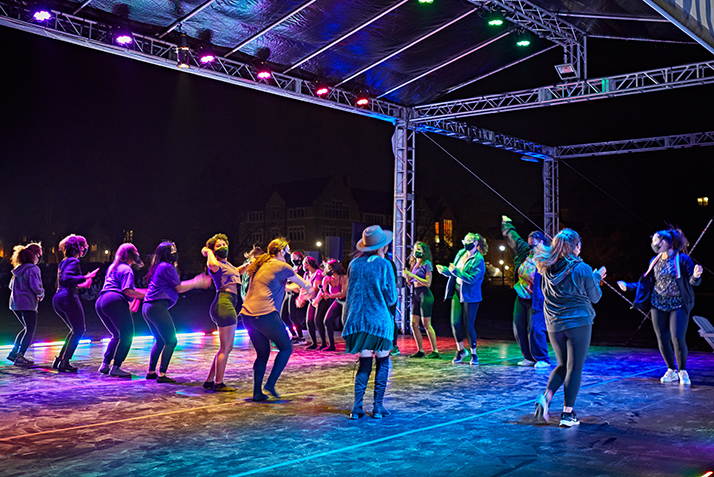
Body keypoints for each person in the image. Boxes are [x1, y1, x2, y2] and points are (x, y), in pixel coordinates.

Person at [533, 229, 606, 427]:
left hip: (554, 325)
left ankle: (546, 396)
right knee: (574, 368)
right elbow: (595, 297)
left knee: (563, 365)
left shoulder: (546, 268)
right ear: (576, 247)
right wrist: (596, 277)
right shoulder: (582, 269)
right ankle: (567, 414)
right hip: (578, 322)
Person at [617, 228, 702, 385]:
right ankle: (671, 370)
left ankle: (683, 371)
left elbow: (692, 281)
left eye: (657, 241)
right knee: (662, 338)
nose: (654, 244)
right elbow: (645, 282)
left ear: (667, 243)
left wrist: (696, 276)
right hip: (658, 304)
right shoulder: (654, 261)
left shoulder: (682, 259)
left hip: (678, 304)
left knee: (677, 336)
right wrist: (627, 286)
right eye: (654, 241)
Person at [238, 237, 312, 401]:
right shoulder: (281, 266)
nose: (288, 255)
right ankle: (270, 384)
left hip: (248, 316)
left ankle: (257, 393)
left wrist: (290, 287)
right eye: (287, 251)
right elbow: (305, 285)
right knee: (286, 348)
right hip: (266, 315)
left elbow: (272, 285)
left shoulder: (260, 265)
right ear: (281, 252)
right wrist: (310, 291)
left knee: (262, 354)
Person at [342, 225, 398, 419]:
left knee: (364, 364)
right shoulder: (385, 265)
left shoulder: (354, 265)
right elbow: (391, 298)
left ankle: (357, 408)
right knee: (382, 362)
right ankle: (378, 407)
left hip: (357, 322)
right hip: (379, 322)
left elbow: (350, 293)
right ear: (382, 246)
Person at [142, 241, 210, 383]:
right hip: (157, 307)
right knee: (171, 341)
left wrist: (195, 281)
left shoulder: (159, 267)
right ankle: (161, 374)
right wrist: (197, 283)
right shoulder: (167, 267)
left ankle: (151, 371)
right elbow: (179, 288)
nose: (175, 254)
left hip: (148, 307)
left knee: (160, 340)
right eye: (172, 251)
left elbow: (176, 286)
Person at [501, 216, 551, 368]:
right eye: (530, 245)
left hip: (537, 298)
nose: (532, 248)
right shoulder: (525, 252)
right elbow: (514, 238)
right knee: (518, 328)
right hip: (522, 295)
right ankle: (528, 357)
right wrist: (507, 224)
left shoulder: (548, 258)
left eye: (534, 244)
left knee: (535, 328)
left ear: (541, 242)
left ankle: (542, 358)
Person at [95, 243, 146, 378]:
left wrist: (136, 296)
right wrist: (146, 295)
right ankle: (116, 367)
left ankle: (105, 364)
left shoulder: (113, 268)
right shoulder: (127, 269)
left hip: (101, 302)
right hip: (114, 300)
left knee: (116, 335)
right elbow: (127, 291)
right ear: (132, 255)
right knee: (127, 334)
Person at [436, 233, 487, 365]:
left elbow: (472, 279)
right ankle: (460, 350)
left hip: (471, 295)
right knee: (455, 323)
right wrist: (445, 271)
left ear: (476, 243)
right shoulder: (460, 253)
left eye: (469, 241)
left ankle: (474, 354)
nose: (466, 243)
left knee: (468, 325)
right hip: (457, 291)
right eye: (465, 240)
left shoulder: (478, 259)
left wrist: (458, 272)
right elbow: (454, 271)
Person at [52, 234, 99, 373]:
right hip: (68, 298)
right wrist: (86, 277)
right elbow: (67, 278)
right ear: (79, 248)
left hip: (58, 298)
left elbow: (64, 281)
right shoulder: (74, 261)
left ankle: (60, 359)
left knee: (74, 329)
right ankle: (64, 362)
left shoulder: (64, 261)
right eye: (84, 246)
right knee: (79, 329)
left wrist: (83, 284)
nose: (85, 249)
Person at [201, 233, 242, 392]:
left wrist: (248, 264)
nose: (223, 247)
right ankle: (219, 383)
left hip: (228, 303)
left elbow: (236, 271)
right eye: (219, 245)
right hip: (223, 304)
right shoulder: (215, 263)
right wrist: (208, 251)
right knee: (226, 347)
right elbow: (211, 265)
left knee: (225, 348)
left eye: (225, 244)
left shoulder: (228, 265)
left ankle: (210, 380)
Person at [8, 243, 45, 367]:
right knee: (30, 330)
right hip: (27, 303)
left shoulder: (18, 269)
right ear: (34, 255)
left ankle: (14, 352)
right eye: (39, 255)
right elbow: (35, 286)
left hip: (15, 304)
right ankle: (20, 356)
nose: (40, 258)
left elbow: (10, 286)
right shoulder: (33, 269)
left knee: (26, 328)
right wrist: (41, 293)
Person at [402, 242, 439, 359]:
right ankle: (420, 350)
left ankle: (435, 350)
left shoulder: (427, 264)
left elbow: (428, 283)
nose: (415, 251)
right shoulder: (414, 264)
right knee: (413, 324)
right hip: (416, 294)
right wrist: (407, 276)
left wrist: (413, 276)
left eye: (418, 249)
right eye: (414, 249)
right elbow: (411, 283)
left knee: (426, 324)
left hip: (425, 294)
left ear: (424, 251)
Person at [319, 259, 348, 351]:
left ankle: (350, 345)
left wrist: (330, 295)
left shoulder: (343, 277)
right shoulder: (327, 279)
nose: (326, 270)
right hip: (338, 301)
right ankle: (331, 345)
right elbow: (324, 292)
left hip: (347, 301)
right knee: (327, 321)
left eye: (328, 268)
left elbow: (344, 293)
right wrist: (323, 292)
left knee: (345, 322)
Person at [281, 250, 307, 344]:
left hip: (295, 293)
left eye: (294, 257)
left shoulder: (301, 269)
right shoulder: (292, 267)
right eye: (292, 258)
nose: (292, 259)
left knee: (293, 316)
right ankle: (294, 335)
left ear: (300, 258)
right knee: (283, 315)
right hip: (289, 292)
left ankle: (301, 337)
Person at [302, 256, 325, 350]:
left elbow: (316, 288)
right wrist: (301, 297)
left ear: (308, 264)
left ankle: (324, 343)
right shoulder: (306, 274)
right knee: (309, 321)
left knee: (317, 321)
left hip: (320, 299)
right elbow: (303, 286)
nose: (303, 265)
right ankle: (314, 343)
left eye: (304, 263)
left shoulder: (318, 273)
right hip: (312, 300)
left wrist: (304, 296)